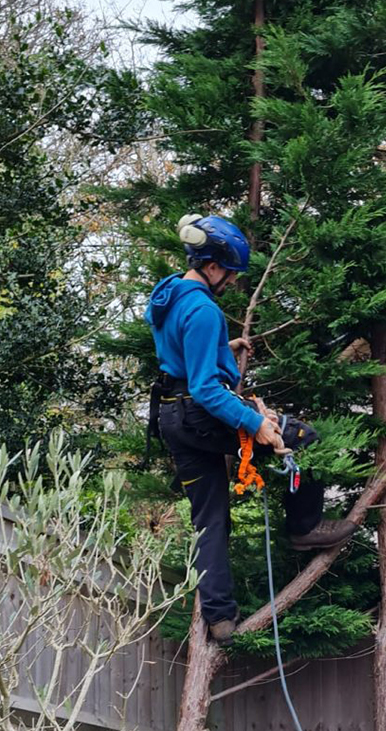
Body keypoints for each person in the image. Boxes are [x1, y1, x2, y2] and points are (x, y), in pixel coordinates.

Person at [146, 214, 357, 642]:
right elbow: (207, 388)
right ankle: (304, 528)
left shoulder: (169, 295)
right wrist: (255, 422)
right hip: (199, 415)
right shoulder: (203, 309)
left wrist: (224, 348)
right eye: (230, 274)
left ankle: (220, 619)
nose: (231, 283)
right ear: (213, 265)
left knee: (209, 519)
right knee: (302, 437)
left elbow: (181, 354)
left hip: (170, 414)